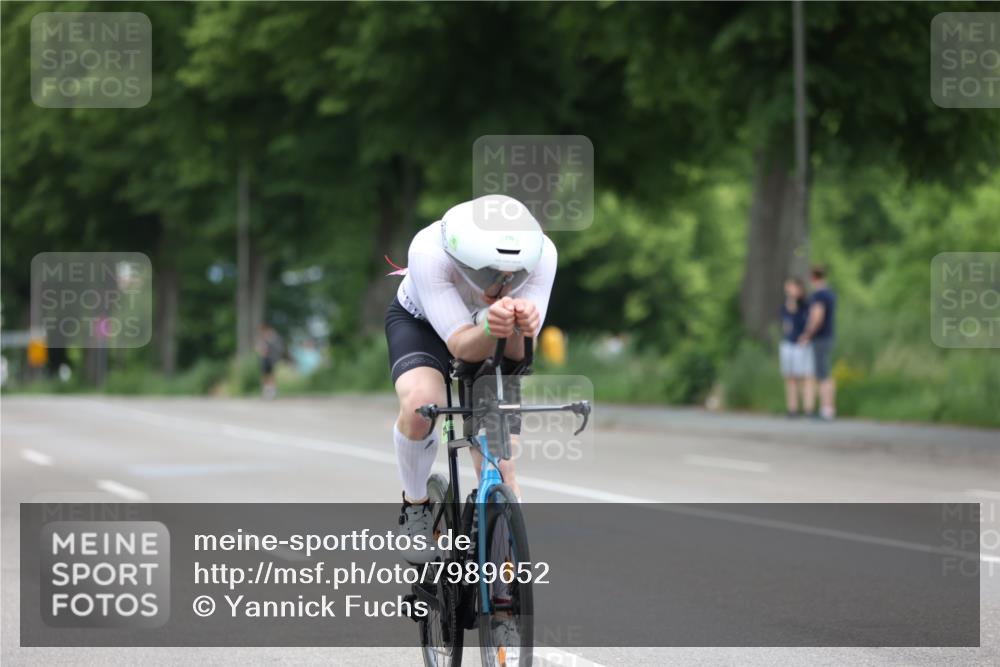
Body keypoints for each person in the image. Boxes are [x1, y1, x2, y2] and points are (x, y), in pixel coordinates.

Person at [385, 194, 556, 562]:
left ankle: (504, 574)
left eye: (514, 276)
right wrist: (497, 326)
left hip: (489, 331)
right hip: (424, 325)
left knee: (503, 465)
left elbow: (515, 356)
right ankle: (415, 506)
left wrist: (520, 329)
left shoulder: (544, 254)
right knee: (420, 406)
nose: (501, 284)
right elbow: (462, 345)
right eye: (488, 274)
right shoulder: (430, 250)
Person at [798, 265, 837, 421]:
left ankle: (826, 409)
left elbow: (817, 317)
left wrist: (807, 334)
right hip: (828, 336)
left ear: (813, 278)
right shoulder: (830, 294)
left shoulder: (819, 296)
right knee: (826, 373)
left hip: (820, 338)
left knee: (822, 375)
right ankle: (829, 408)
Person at [778, 277, 813, 417]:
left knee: (806, 376)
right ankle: (792, 408)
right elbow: (786, 323)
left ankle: (808, 408)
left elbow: (808, 321)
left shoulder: (806, 305)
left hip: (802, 344)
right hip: (788, 344)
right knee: (790, 377)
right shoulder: (786, 305)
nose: (789, 290)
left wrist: (807, 336)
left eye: (792, 287)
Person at [255, 324, 283, 399]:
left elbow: (277, 348)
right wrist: (262, 351)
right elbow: (259, 349)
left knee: (271, 375)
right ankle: (265, 391)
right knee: (265, 375)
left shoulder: (273, 338)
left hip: (271, 359)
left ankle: (272, 391)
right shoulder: (262, 339)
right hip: (265, 359)